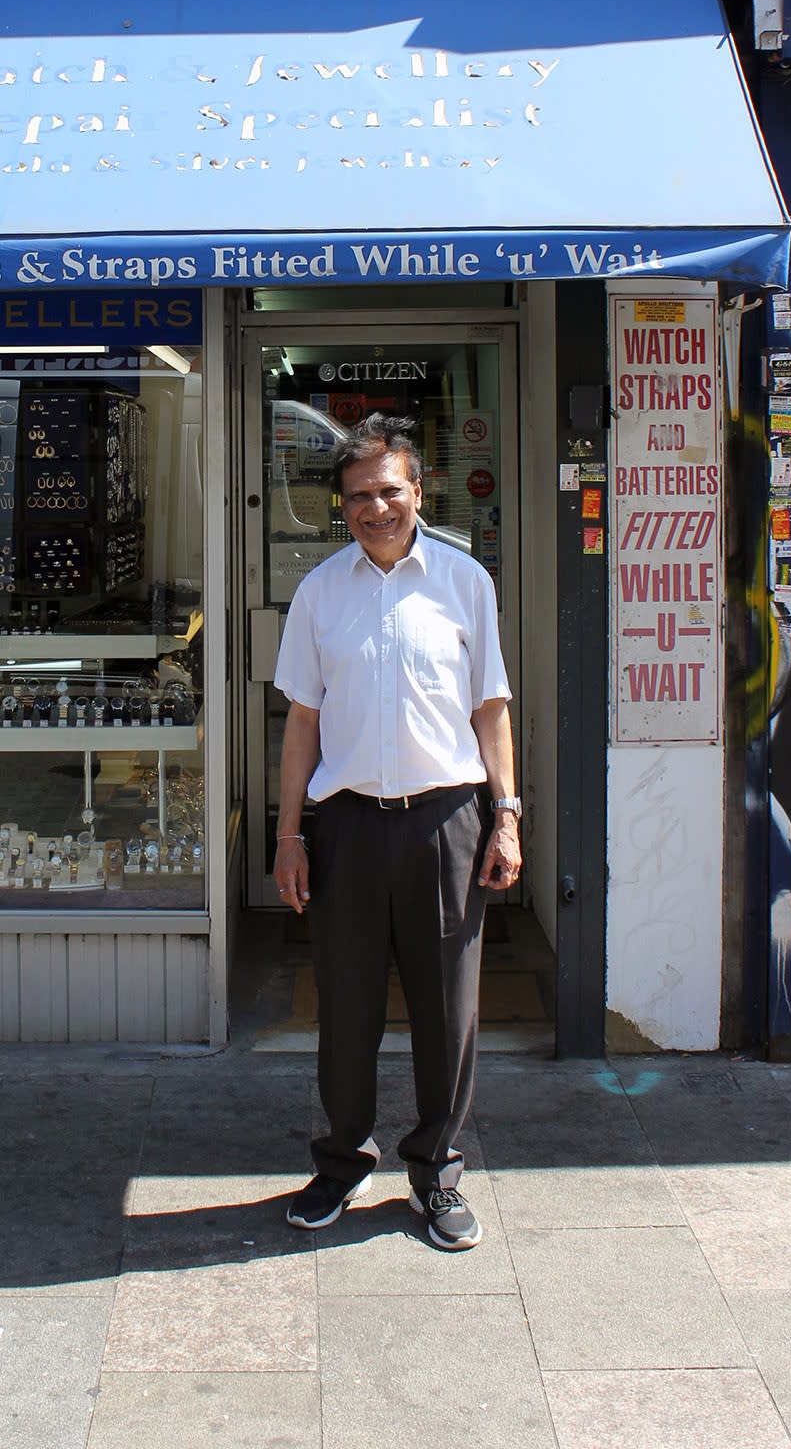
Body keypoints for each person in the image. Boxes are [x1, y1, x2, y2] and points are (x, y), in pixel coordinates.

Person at [272, 413, 521, 1251]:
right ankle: (340, 1163)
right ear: (339, 508)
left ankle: (436, 1173)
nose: (376, 507)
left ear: (419, 491)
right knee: (346, 1007)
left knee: (448, 1010)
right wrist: (289, 835)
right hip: (345, 826)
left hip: (447, 824)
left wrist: (507, 818)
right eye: (358, 496)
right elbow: (302, 724)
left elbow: (491, 708)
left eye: (390, 490)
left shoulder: (463, 583)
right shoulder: (319, 594)